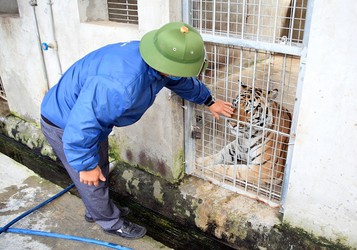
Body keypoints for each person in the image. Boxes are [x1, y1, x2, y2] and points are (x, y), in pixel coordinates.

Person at [40, 22, 234, 239]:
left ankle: (97, 209)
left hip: (86, 119)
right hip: (65, 123)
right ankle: (109, 222)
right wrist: (85, 165)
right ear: (168, 65)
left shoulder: (156, 58)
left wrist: (208, 100)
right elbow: (81, 127)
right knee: (91, 176)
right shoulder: (121, 85)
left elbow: (180, 81)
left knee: (100, 166)